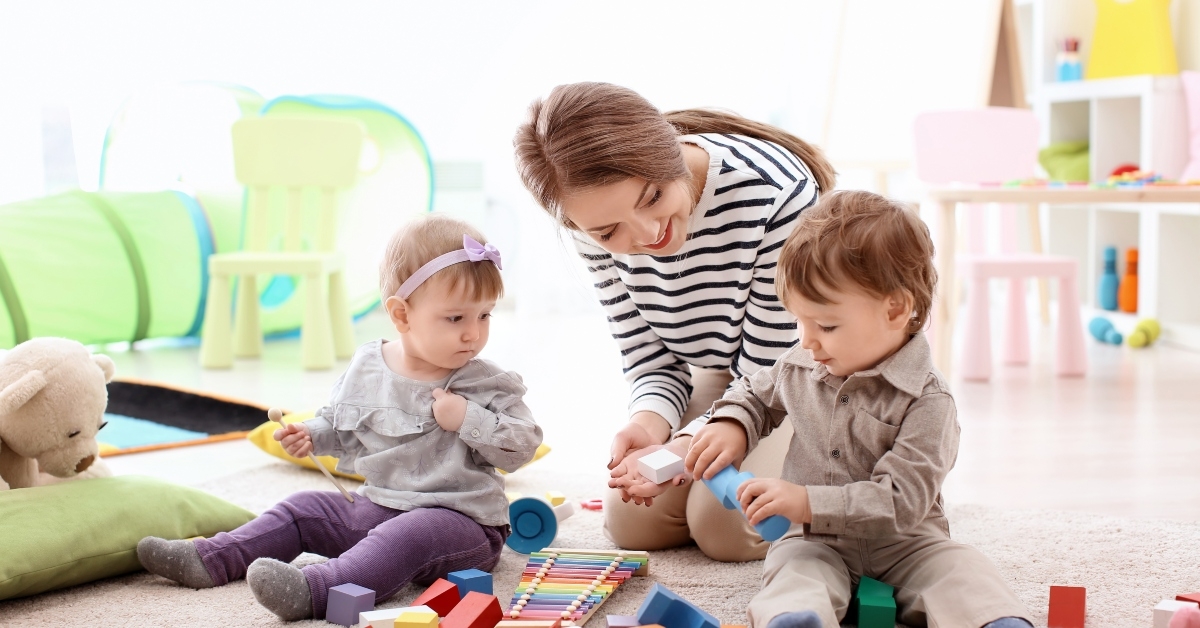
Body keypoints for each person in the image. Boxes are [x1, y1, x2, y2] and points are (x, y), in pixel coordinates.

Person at [136, 215, 543, 622]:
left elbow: (522, 444)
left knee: (407, 535)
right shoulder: (369, 365)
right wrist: (312, 434)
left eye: (485, 316)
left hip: (462, 525)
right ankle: (210, 559)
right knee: (303, 509)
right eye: (456, 318)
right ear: (401, 315)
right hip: (379, 505)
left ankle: (317, 589)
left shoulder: (484, 382)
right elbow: (340, 423)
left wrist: (468, 418)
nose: (474, 333)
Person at [514, 82, 837, 561]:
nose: (648, 235)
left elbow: (768, 373)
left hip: (798, 375)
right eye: (608, 231)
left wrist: (684, 446)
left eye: (652, 197)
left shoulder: (774, 193)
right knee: (633, 521)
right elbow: (651, 360)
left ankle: (841, 480)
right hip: (726, 371)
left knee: (727, 526)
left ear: (669, 154)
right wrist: (650, 424)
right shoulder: (588, 227)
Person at [685, 191, 1032, 628]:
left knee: (961, 569)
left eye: (826, 325)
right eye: (800, 321)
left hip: (908, 542)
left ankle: (993, 620)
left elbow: (902, 502)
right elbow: (754, 395)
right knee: (794, 571)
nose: (808, 340)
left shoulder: (929, 400)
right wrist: (732, 423)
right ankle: (795, 620)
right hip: (814, 540)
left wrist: (805, 500)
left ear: (896, 309)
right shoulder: (801, 363)